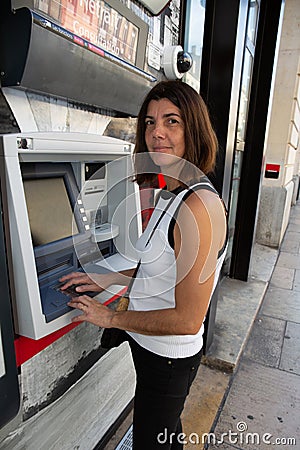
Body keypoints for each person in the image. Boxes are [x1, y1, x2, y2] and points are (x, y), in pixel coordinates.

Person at [60, 80, 227, 450]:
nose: (157, 134)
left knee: (152, 441)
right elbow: (156, 263)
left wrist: (111, 318)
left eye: (172, 122)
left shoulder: (199, 208)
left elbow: (187, 319)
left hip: (168, 358)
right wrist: (106, 278)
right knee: (166, 432)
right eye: (149, 123)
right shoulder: (173, 190)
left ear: (193, 130)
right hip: (150, 349)